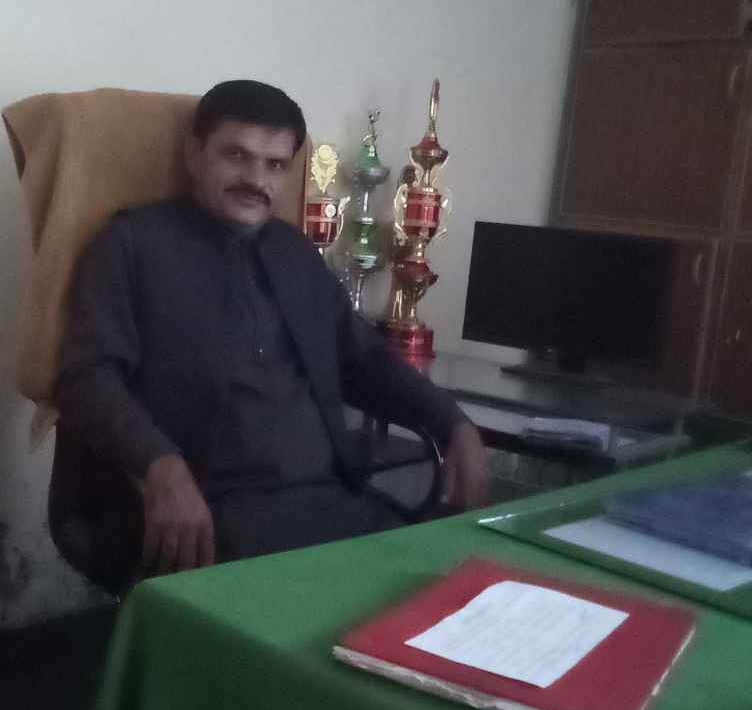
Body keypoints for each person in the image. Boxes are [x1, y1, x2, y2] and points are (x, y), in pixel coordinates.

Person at [55, 80, 489, 578]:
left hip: (327, 501)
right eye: (236, 155)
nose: (255, 179)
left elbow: (363, 359)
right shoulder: (131, 245)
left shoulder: (294, 253)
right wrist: (160, 466)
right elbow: (86, 379)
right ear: (194, 155)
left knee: (444, 584)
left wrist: (453, 422)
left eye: (275, 164)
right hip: (206, 509)